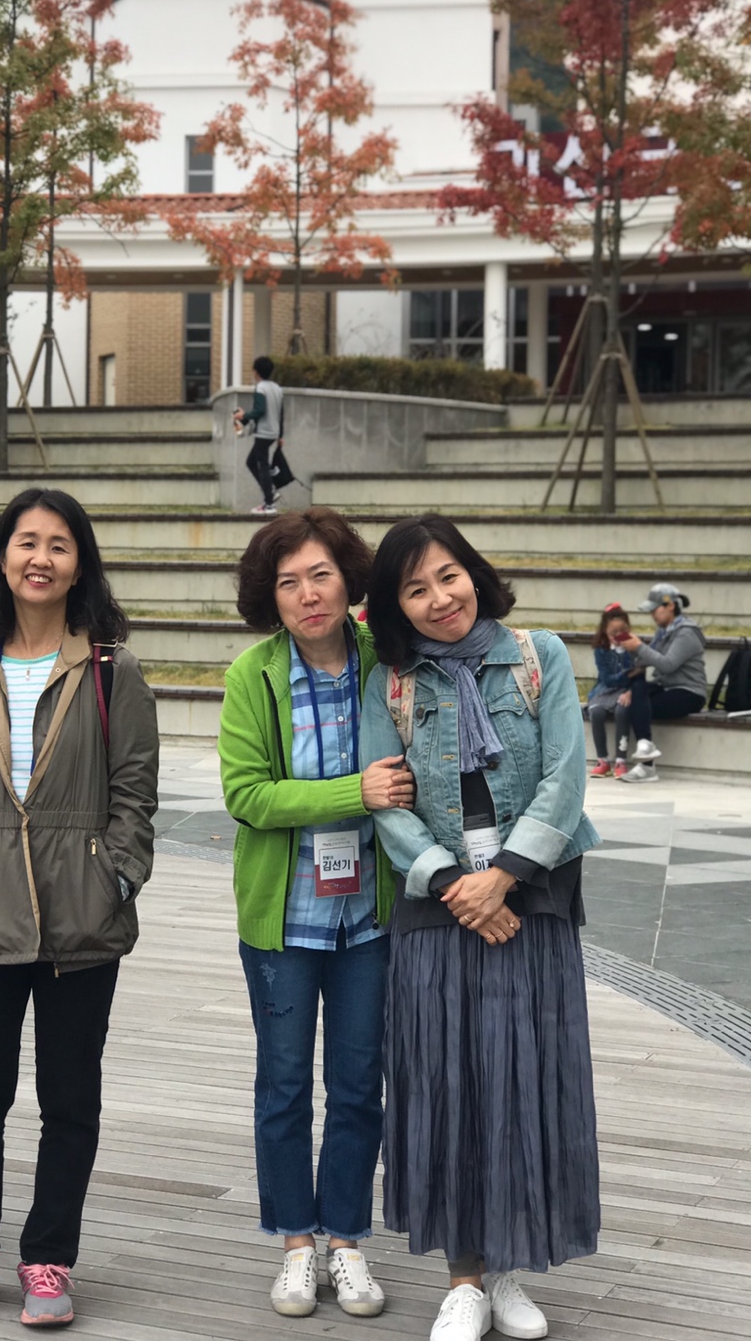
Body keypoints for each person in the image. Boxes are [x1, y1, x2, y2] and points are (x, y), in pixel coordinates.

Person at [0, 487, 158, 1328]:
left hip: (80, 916)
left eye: (59, 544)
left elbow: (135, 792)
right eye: (26, 542)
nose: (40, 558)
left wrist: (116, 875)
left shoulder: (112, 670)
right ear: (3, 556)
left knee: (70, 1098)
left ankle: (48, 1257)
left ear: (79, 563)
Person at [360, 513, 601, 1341]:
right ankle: (464, 1278)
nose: (439, 598)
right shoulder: (392, 683)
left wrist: (502, 878)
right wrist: (452, 882)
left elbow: (566, 778)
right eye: (415, 589)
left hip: (530, 900)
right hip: (439, 909)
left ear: (474, 573)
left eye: (448, 576)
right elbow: (386, 803)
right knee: (448, 1086)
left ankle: (508, 1271)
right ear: (395, 606)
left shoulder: (540, 656)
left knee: (524, 1081)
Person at [218, 507, 415, 1321]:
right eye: (288, 581)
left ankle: (347, 1240)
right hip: (285, 921)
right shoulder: (253, 674)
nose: (308, 594)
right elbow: (248, 795)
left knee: (360, 1086)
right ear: (270, 595)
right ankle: (296, 1244)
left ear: (348, 579)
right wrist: (352, 793)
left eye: (321, 575)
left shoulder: (388, 659)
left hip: (369, 918)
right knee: (286, 1085)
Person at [614, 581, 708, 784]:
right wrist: (628, 648)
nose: (652, 615)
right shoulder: (663, 632)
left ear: (670, 606)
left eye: (655, 610)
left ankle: (647, 763)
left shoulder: (687, 633)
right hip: (665, 687)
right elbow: (646, 660)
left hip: (689, 692)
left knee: (640, 705)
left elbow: (667, 664)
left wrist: (639, 646)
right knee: (637, 687)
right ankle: (645, 747)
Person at [587, 602, 637, 777]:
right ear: (605, 631)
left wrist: (630, 690)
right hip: (605, 690)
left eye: (622, 631)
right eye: (613, 632)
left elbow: (638, 675)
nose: (618, 636)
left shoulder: (632, 648)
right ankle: (602, 760)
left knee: (623, 710)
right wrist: (627, 674)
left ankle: (621, 760)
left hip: (625, 691)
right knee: (596, 711)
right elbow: (607, 678)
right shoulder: (601, 650)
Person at [233, 355, 284, 517]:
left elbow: (260, 410)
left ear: (256, 371)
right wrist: (281, 435)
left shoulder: (261, 388)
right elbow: (281, 413)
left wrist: (243, 415)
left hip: (263, 432)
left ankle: (269, 504)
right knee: (252, 462)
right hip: (273, 432)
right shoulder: (277, 388)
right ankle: (270, 491)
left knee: (262, 465)